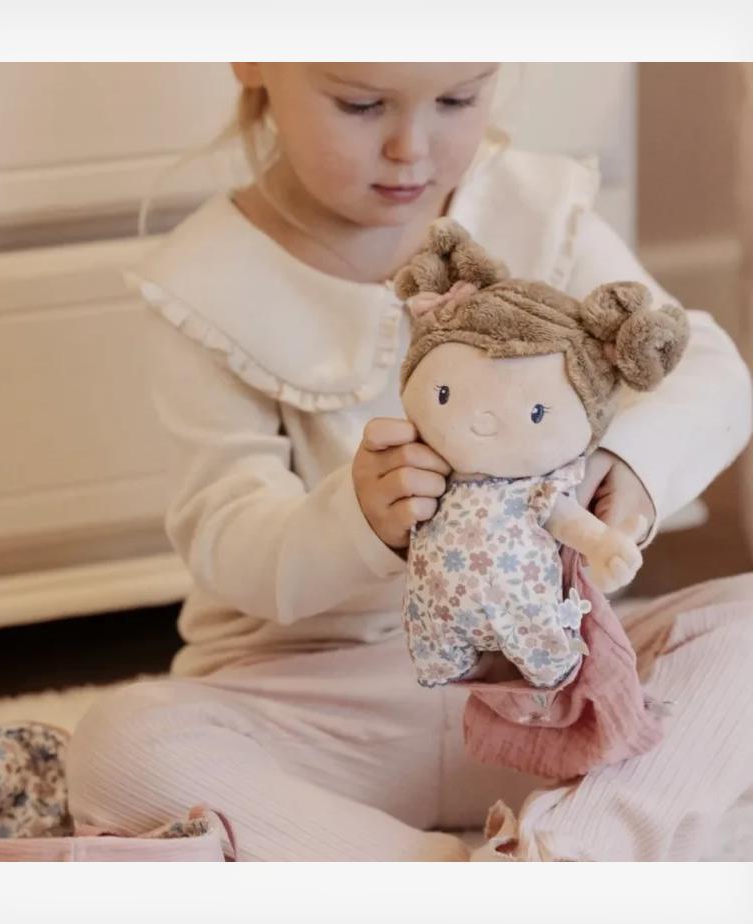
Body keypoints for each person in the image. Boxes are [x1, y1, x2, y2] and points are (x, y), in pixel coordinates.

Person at [65, 63, 753, 861]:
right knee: (118, 744)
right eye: (361, 105)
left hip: (545, 680)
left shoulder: (537, 209)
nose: (411, 148)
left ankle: (572, 850)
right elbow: (227, 538)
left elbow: (709, 371)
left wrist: (631, 467)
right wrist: (357, 520)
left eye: (458, 100)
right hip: (319, 704)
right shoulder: (207, 279)